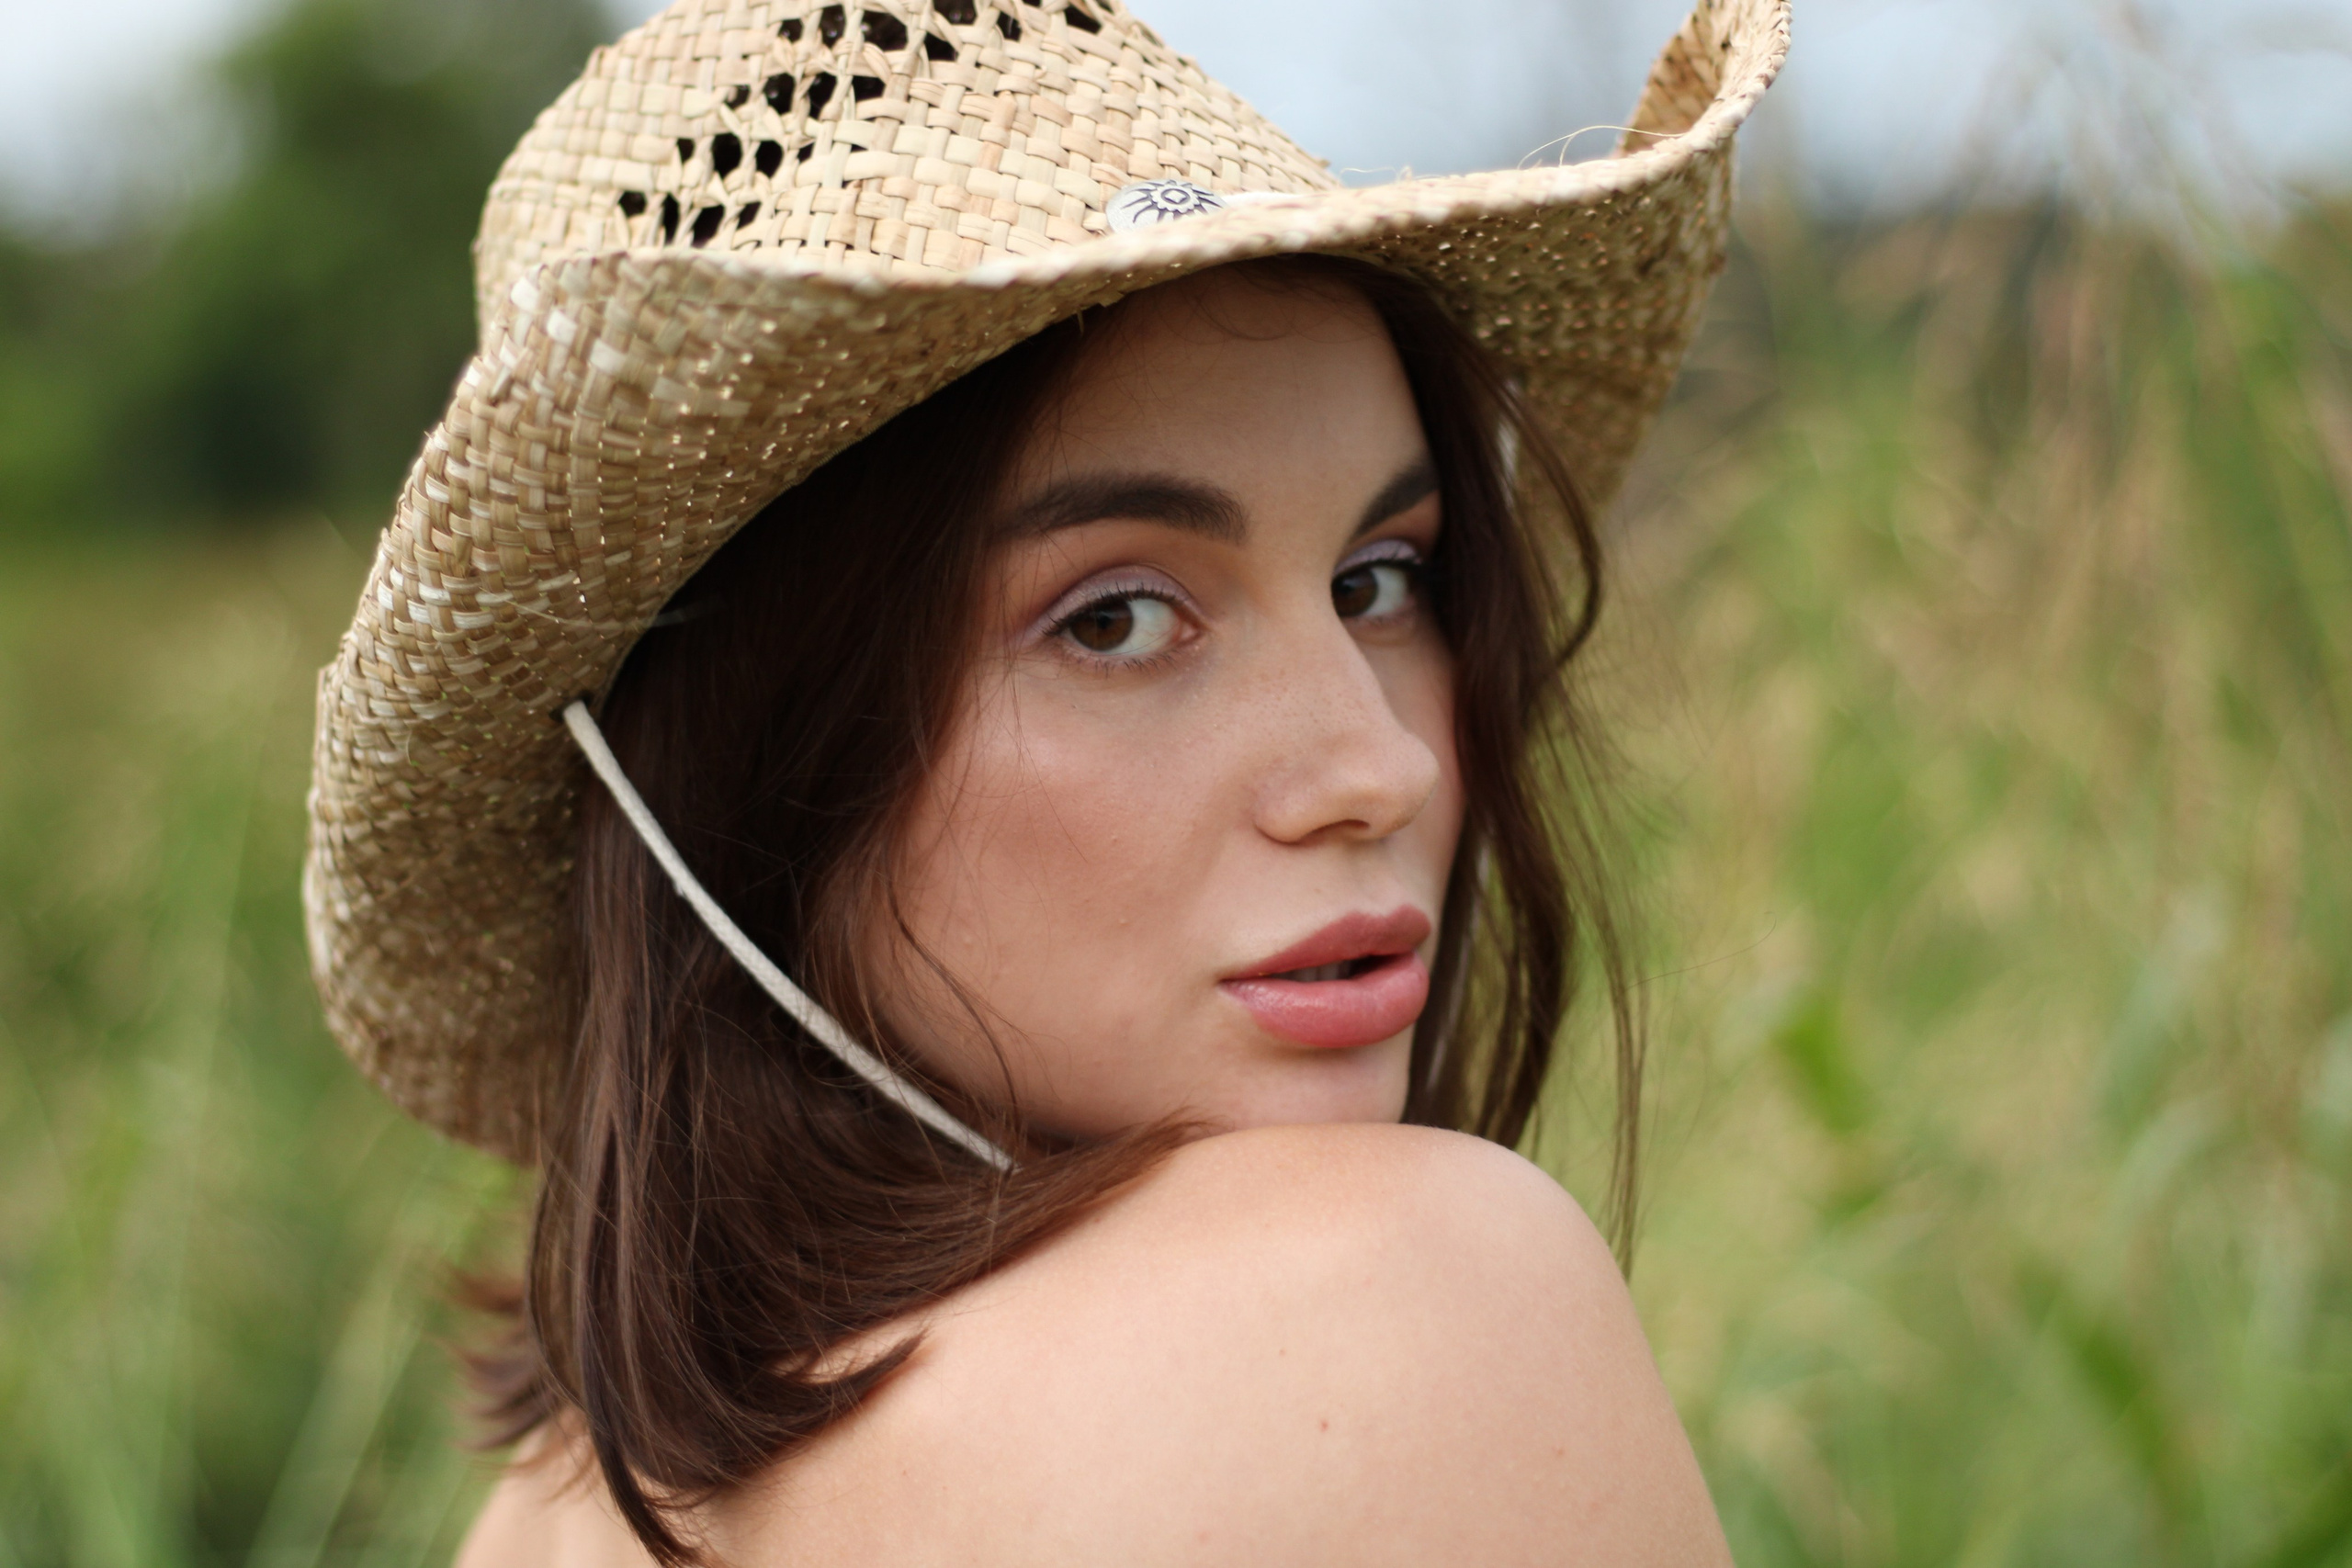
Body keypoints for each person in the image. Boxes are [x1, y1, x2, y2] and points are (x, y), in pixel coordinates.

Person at [303, 0, 1788, 1561]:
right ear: (747, 764)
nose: (1381, 765)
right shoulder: (1402, 1297)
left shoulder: (554, 1500)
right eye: (1117, 619)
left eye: (1377, 580)